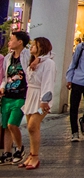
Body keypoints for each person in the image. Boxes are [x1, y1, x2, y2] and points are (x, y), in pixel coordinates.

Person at [21, 36, 55, 170]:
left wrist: (44, 101)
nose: (31, 47)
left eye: (34, 45)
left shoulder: (48, 63)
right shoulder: (33, 61)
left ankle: (35, 156)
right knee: (31, 127)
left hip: (41, 100)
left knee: (32, 126)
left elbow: (48, 82)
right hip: (31, 97)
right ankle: (31, 155)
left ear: (41, 47)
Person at [0, 30, 30, 164]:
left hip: (21, 95)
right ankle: (7, 152)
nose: (9, 42)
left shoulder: (28, 56)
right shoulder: (8, 58)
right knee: (6, 125)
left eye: (12, 39)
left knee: (12, 124)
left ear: (20, 42)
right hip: (7, 95)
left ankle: (19, 148)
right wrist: (2, 86)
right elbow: (5, 76)